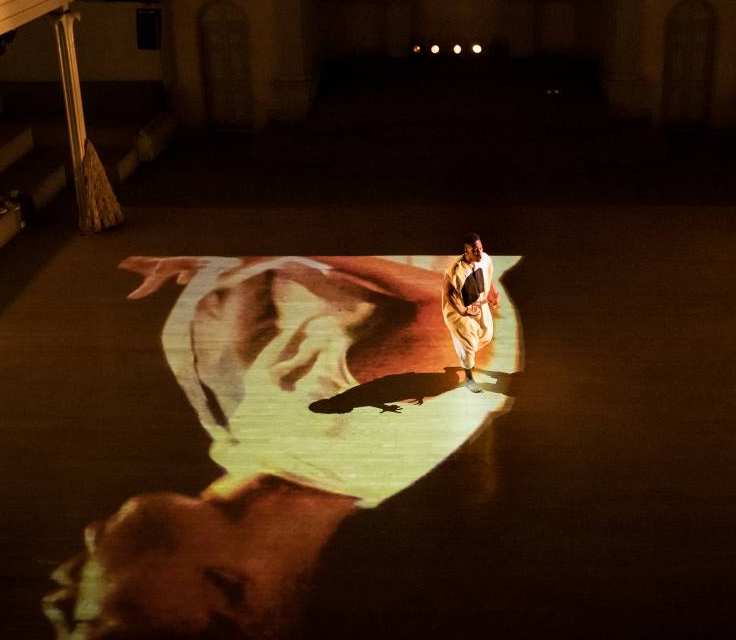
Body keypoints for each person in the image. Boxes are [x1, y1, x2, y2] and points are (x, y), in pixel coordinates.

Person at [44, 253, 521, 638]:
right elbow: (463, 302)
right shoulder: (352, 436)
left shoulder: (285, 451)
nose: (60, 586)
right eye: (90, 624)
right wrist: (269, 245)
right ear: (231, 597)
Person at [442, 232, 499, 393]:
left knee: (487, 334)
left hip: (480, 306)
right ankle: (468, 378)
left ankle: (466, 350)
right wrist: (462, 310)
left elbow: (488, 276)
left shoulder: (485, 259)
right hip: (460, 312)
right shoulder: (455, 270)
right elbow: (447, 293)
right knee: (469, 344)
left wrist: (491, 294)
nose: (479, 253)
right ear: (466, 251)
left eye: (481, 248)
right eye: (475, 250)